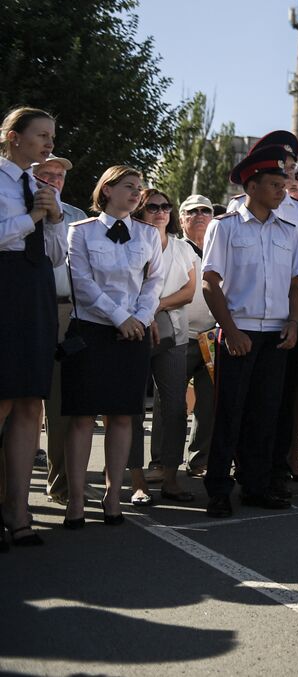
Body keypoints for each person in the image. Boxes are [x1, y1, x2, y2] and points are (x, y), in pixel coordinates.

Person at [201, 145, 298, 516]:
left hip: (276, 332)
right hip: (239, 330)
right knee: (230, 412)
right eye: (276, 184)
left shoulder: (289, 230)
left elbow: (295, 284)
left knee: (267, 412)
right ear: (252, 186)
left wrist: (293, 323)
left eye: (284, 184)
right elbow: (210, 282)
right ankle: (218, 488)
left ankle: (256, 485)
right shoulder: (224, 226)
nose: (283, 191)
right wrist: (230, 330)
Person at [62, 166, 165, 527]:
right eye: (128, 186)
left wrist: (140, 316)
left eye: (139, 187)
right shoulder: (80, 232)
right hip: (93, 329)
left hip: (133, 332)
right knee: (83, 418)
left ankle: (111, 496)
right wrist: (120, 317)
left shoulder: (148, 234)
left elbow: (155, 281)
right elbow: (81, 281)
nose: (137, 193)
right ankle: (75, 500)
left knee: (123, 416)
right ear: (106, 190)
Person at [227, 132, 298, 490]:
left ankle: (274, 468)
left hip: (284, 320)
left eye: (293, 169)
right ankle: (241, 468)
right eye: (284, 170)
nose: (289, 179)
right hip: (245, 321)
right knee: (242, 404)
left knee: (277, 401)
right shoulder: (237, 209)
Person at [0, 106, 68, 547]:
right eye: (41, 134)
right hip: (4, 292)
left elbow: (59, 255)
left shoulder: (42, 188)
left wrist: (56, 219)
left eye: (51, 136)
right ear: (12, 136)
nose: (48, 143)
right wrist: (35, 218)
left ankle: (18, 508)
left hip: (36, 293)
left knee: (29, 403)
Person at [129, 187, 199, 503]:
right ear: (139, 211)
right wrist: (146, 313)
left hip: (174, 333)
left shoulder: (183, 248)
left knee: (175, 407)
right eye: (152, 207)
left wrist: (155, 306)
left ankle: (170, 477)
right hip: (133, 331)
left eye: (165, 206)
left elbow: (189, 291)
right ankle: (137, 481)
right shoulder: (128, 242)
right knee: (130, 410)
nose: (160, 211)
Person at [33, 155, 88, 509]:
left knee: (61, 405)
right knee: (18, 405)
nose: (54, 180)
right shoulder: (14, 208)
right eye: (46, 175)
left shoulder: (78, 217)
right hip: (28, 311)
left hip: (69, 312)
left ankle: (61, 483)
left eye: (60, 176)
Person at [177, 194, 218, 481]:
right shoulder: (173, 248)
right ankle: (162, 462)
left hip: (213, 337)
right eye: (193, 211)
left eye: (206, 210)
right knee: (172, 405)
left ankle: (199, 459)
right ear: (181, 219)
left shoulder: (220, 249)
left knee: (209, 403)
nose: (201, 215)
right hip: (179, 336)